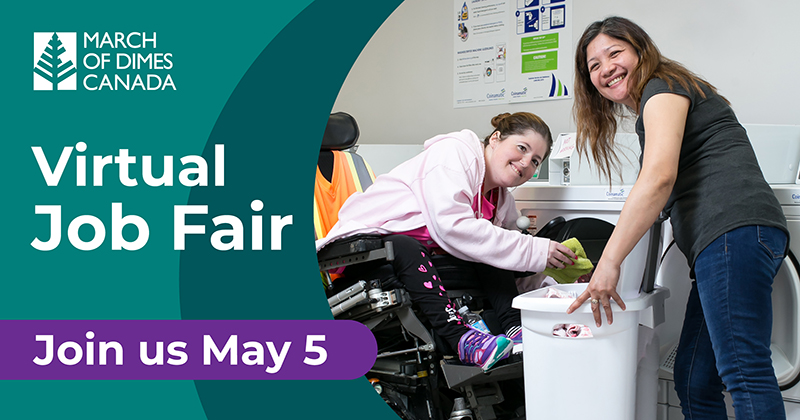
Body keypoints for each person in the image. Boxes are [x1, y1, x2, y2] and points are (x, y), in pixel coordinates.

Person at [566, 16, 790, 419]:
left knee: (744, 372)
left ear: (640, 51)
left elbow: (657, 180)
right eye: (593, 65)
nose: (605, 69)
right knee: (693, 379)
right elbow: (651, 199)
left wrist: (609, 263)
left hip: (733, 232)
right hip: (724, 241)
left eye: (614, 53)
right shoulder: (655, 107)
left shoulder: (663, 86)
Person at [317, 112, 577, 371]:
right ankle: (461, 339)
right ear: (496, 138)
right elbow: (452, 227)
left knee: (490, 246)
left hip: (421, 261)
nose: (526, 163)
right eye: (522, 148)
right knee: (411, 244)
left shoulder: (501, 200)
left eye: (535, 161)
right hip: (366, 255)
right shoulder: (454, 154)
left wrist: (556, 290)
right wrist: (536, 248)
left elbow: (506, 254)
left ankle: (514, 330)